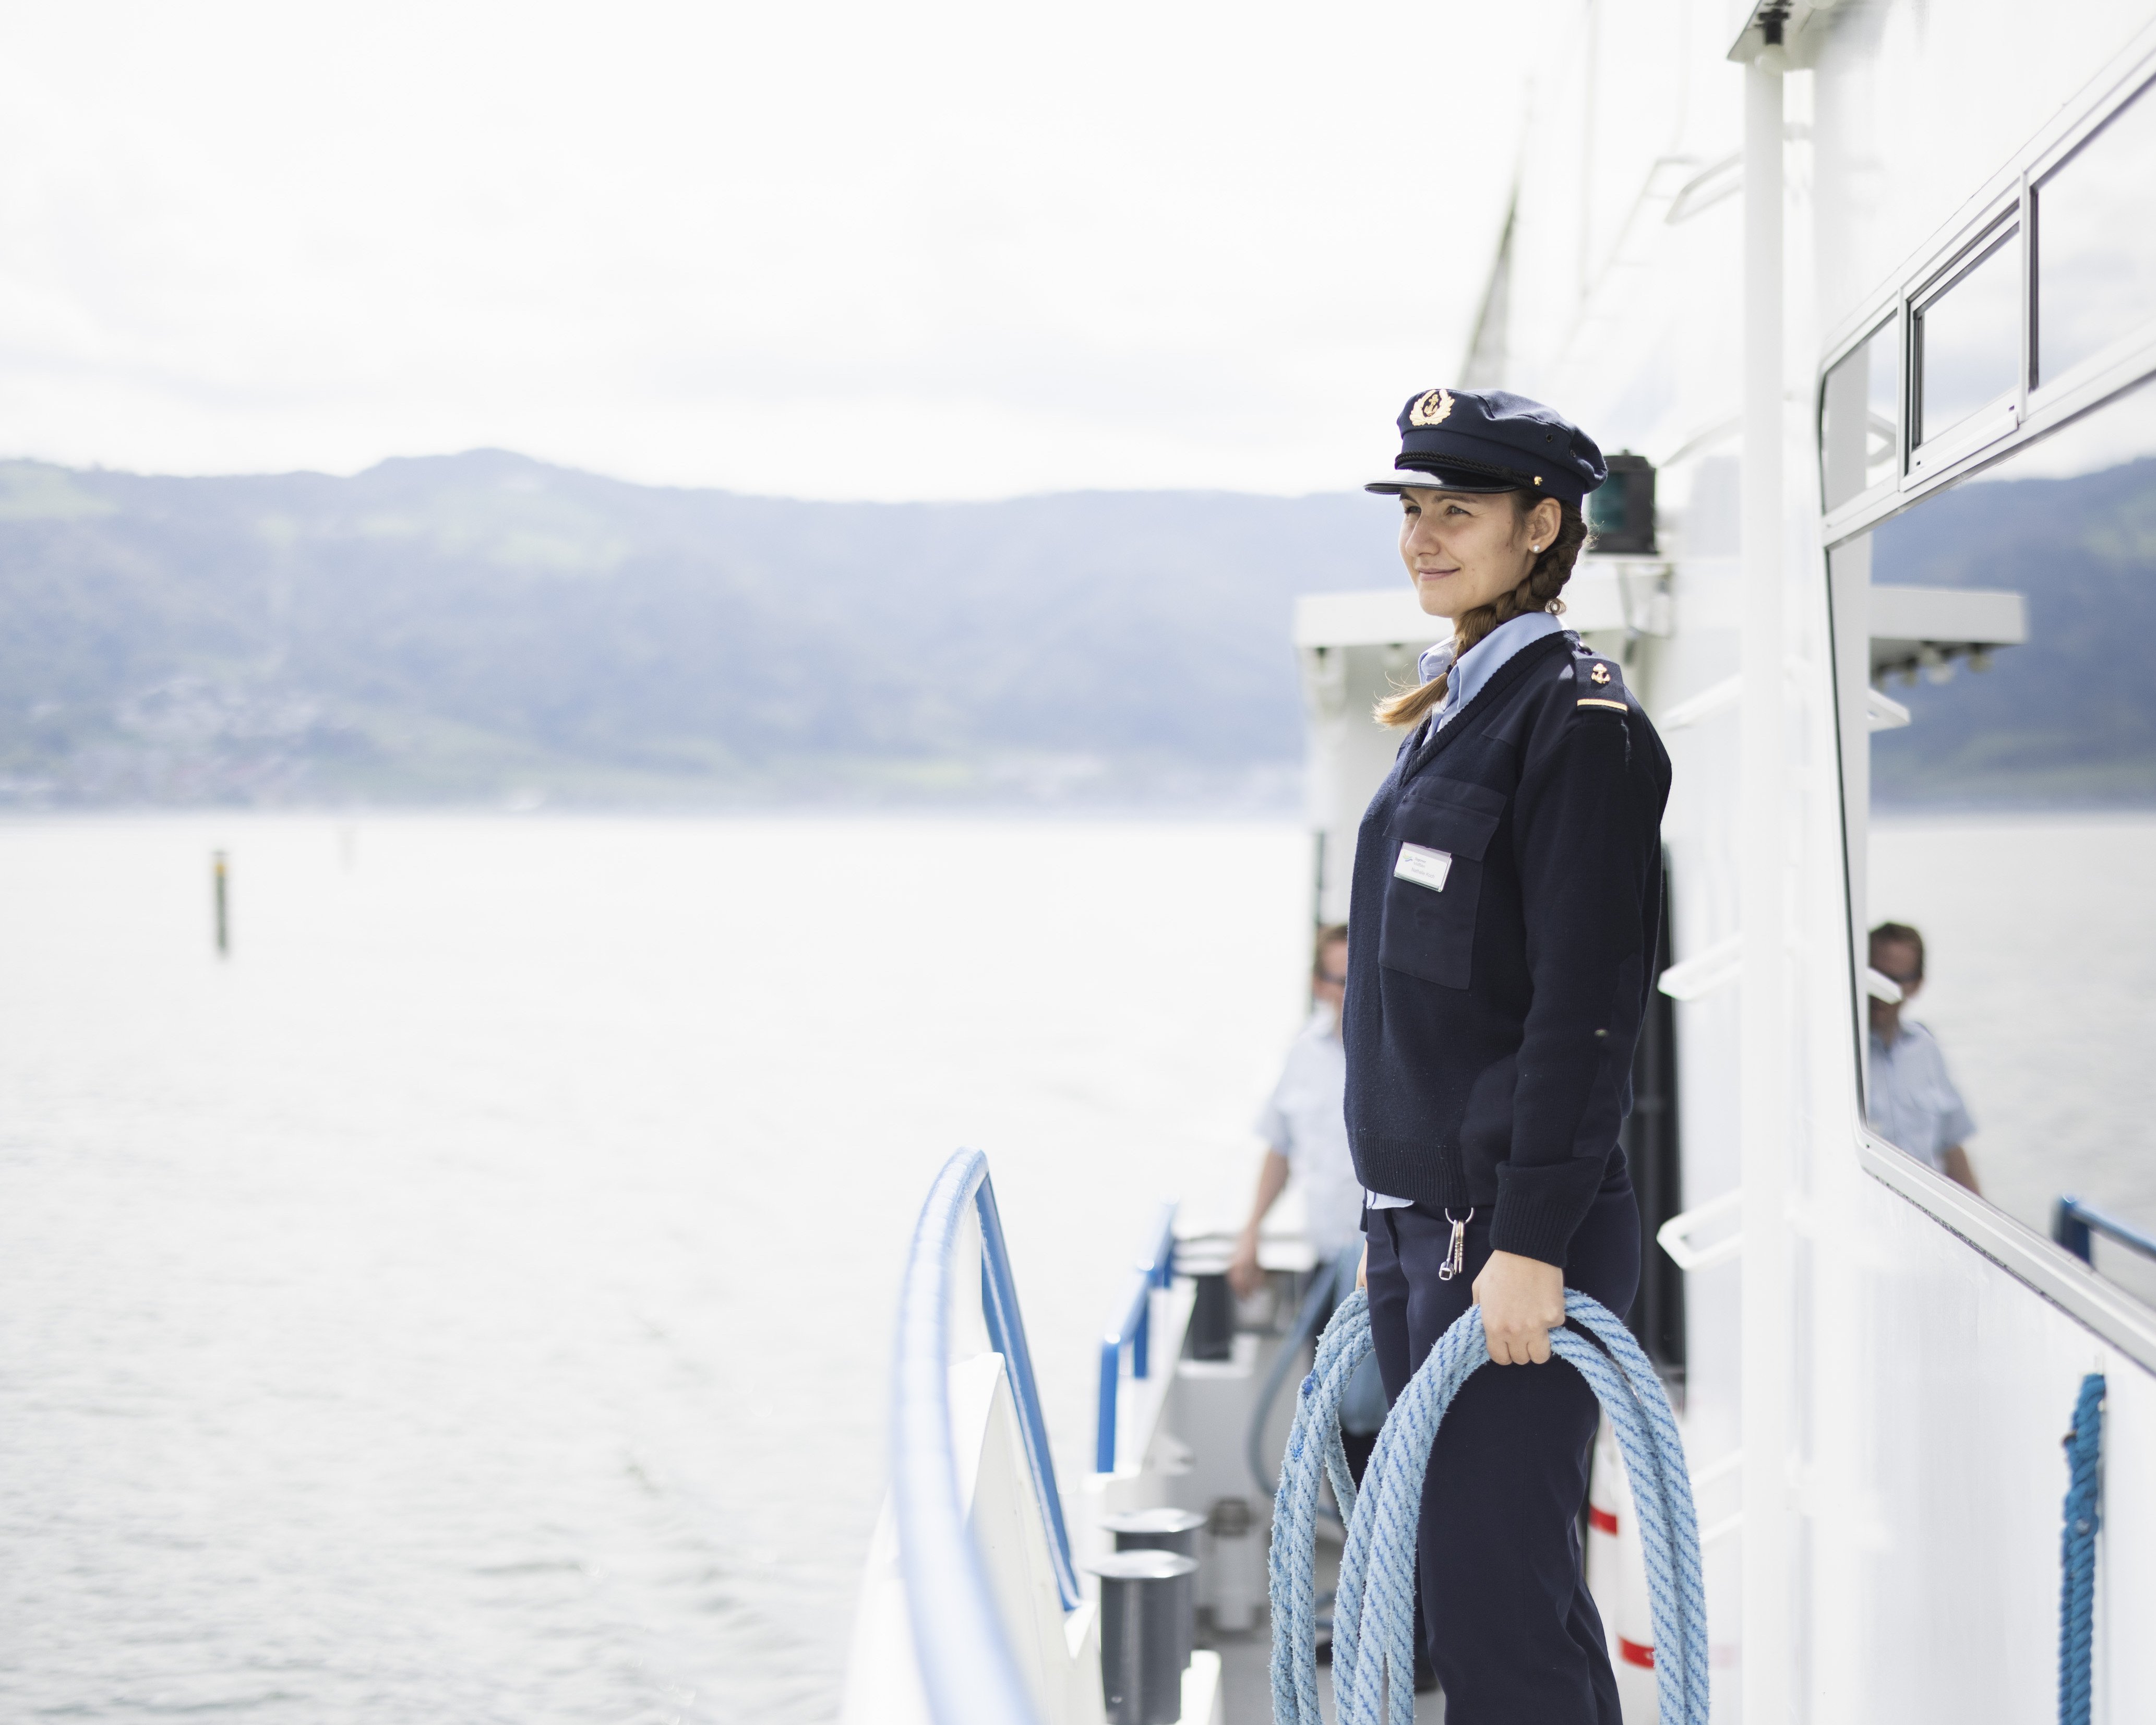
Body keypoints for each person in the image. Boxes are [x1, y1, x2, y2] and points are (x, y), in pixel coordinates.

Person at [1344, 386, 1672, 1724]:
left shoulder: (1577, 725)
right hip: (1421, 1230)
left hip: (1506, 1239)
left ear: (1541, 527)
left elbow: (1585, 1014)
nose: (1423, 535)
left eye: (1457, 512)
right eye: (1414, 510)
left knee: (1502, 1617)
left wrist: (1528, 1241)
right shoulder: (1459, 704)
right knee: (1470, 1592)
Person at [1228, 924, 1362, 1297]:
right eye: (1341, 980)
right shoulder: (1304, 1052)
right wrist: (1251, 1230)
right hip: (1323, 1257)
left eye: (1362, 977)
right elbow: (1280, 1147)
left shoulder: (1398, 1055)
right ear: (1318, 984)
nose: (1352, 992)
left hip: (1384, 1264)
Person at [1866, 920, 1980, 1194]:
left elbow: (1950, 1146)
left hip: (1922, 1216)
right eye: (1876, 977)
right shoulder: (1839, 1051)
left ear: (1916, 985)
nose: (1882, 993)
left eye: (1895, 981)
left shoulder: (1925, 1048)